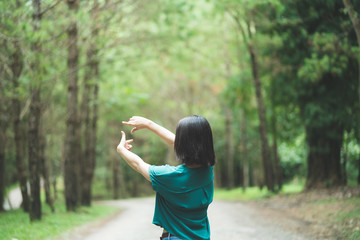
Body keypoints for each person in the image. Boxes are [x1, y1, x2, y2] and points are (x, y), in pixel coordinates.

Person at [117, 115, 215, 240]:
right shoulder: (208, 170)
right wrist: (149, 124)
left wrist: (122, 150)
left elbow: (138, 164)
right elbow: (180, 144)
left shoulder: (169, 176)